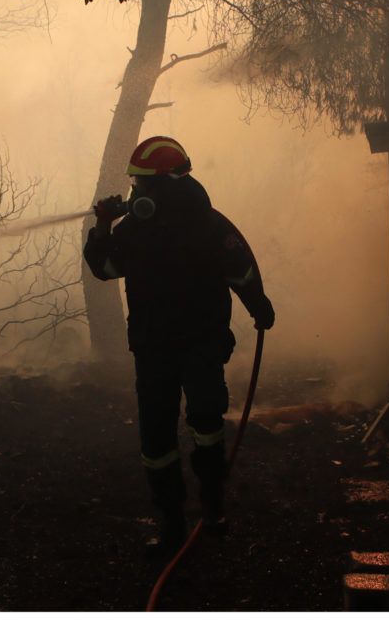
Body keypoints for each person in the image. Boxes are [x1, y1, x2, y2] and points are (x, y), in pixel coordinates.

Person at [83, 135, 274, 557]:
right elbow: (105, 268)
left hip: (202, 342)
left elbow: (240, 269)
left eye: (141, 185)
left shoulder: (210, 225)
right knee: (156, 439)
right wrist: (102, 225)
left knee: (205, 420)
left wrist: (259, 306)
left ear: (165, 184)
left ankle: (212, 505)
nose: (135, 193)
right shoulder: (133, 230)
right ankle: (171, 521)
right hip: (153, 349)